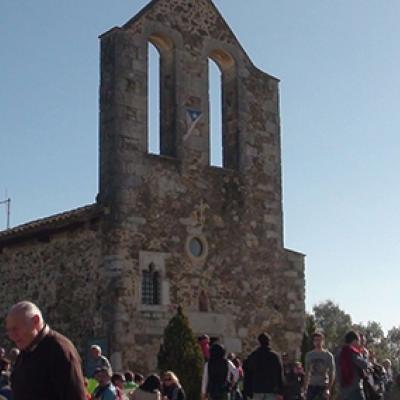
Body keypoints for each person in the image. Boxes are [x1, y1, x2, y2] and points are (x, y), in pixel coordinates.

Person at [6, 301, 87, 400]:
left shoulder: (59, 350)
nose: (12, 336)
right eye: (9, 330)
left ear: (35, 321)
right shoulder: (26, 349)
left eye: (16, 329)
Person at [243, 333, 284, 400]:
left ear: (259, 342)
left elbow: (248, 373)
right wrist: (281, 391)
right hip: (271, 389)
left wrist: (247, 390)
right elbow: (279, 374)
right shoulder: (275, 356)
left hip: (257, 389)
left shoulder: (253, 356)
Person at [337, 331, 369, 400]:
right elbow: (364, 365)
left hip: (344, 389)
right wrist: (365, 356)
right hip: (355, 389)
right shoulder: (353, 352)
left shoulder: (339, 353)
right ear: (354, 341)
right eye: (359, 341)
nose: (359, 343)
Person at [304, 332, 335, 400]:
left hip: (323, 386)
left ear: (323, 341)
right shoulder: (309, 355)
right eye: (316, 340)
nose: (318, 342)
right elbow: (307, 372)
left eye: (320, 340)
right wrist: (305, 388)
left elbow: (331, 373)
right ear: (313, 342)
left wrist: (328, 389)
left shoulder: (328, 356)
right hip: (311, 385)